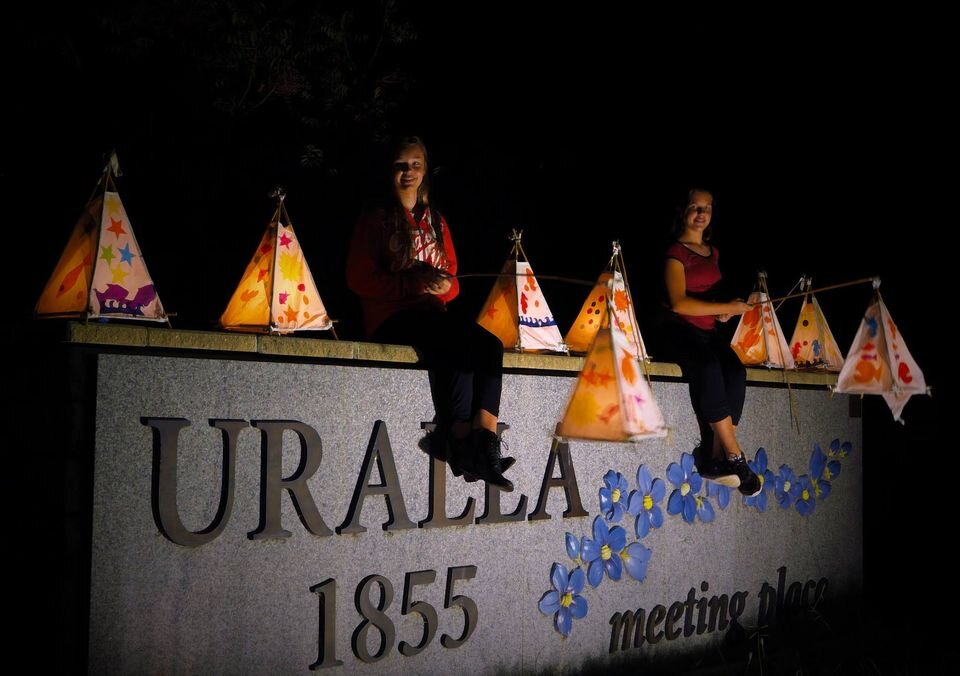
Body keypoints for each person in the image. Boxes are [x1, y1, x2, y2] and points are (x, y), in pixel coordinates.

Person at [346, 136, 514, 491]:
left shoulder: (436, 222)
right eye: (401, 165)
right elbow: (359, 278)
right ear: (389, 170)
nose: (409, 172)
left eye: (416, 164)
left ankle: (483, 444)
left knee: (489, 345)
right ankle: (454, 438)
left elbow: (453, 282)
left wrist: (442, 286)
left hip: (432, 313)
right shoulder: (374, 218)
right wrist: (413, 283)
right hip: (392, 316)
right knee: (454, 341)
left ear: (425, 172)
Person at [661, 188, 761, 496]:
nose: (701, 213)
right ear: (683, 211)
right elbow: (679, 303)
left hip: (706, 332)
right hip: (676, 330)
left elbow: (710, 300)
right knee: (706, 367)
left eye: (707, 208)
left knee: (735, 372)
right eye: (695, 207)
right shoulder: (675, 253)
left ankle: (715, 457)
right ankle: (734, 456)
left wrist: (724, 312)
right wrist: (725, 308)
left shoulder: (713, 252)